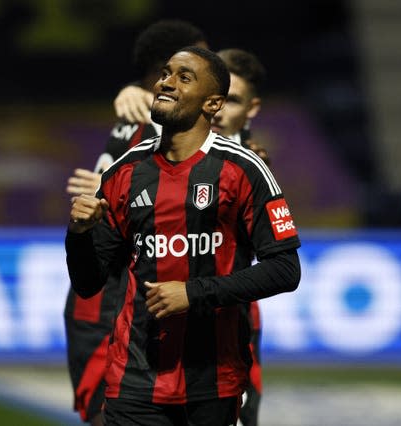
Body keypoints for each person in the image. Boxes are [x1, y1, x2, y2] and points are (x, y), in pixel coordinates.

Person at [66, 46, 301, 425]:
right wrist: (78, 233)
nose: (166, 83)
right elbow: (88, 281)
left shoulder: (245, 169)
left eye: (183, 77)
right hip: (134, 381)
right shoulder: (126, 171)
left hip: (212, 382)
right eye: (165, 73)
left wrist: (193, 293)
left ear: (213, 104)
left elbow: (286, 270)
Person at [111, 47, 270, 426]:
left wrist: (193, 292)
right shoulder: (146, 152)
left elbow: (281, 264)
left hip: (223, 347)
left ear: (247, 110)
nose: (224, 111)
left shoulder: (249, 166)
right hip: (143, 356)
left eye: (234, 101)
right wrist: (132, 90)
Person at [63, 20, 208, 426]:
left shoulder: (144, 112)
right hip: (109, 302)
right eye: (201, 57)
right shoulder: (159, 123)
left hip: (129, 303)